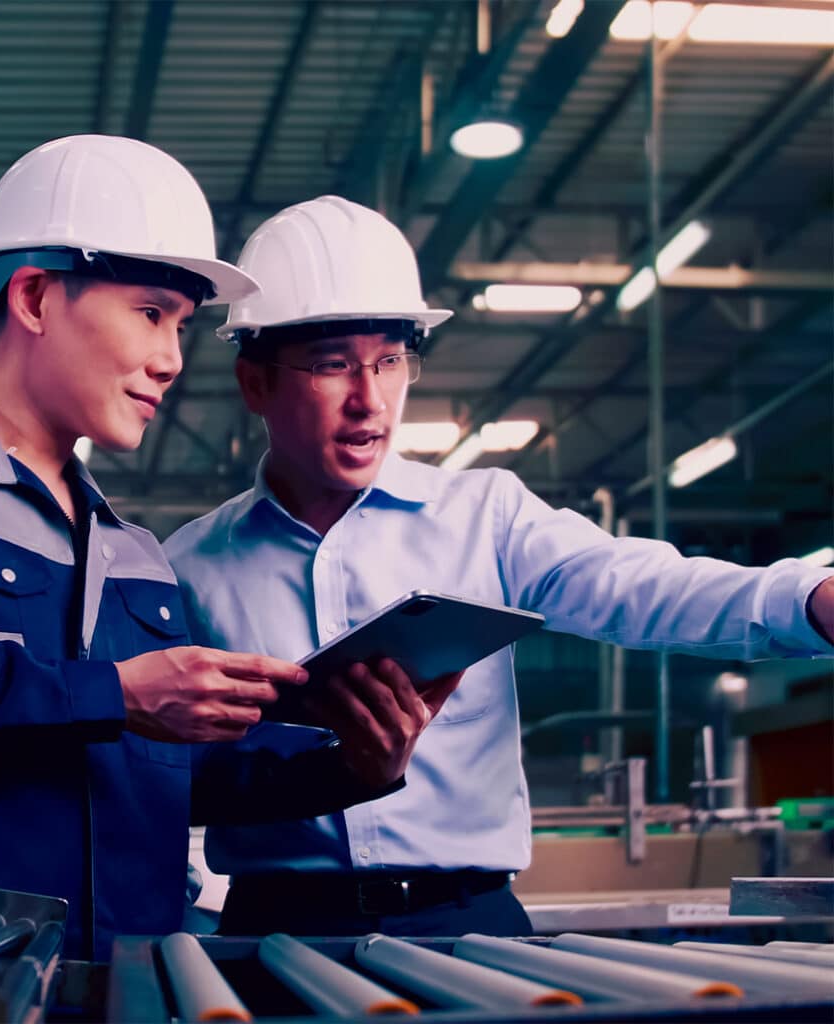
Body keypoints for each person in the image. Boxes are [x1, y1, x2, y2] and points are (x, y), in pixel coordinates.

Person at [0, 147, 456, 961]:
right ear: (33, 295)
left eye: (182, 326)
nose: (171, 360)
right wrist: (112, 694)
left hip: (131, 986)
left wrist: (355, 767)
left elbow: (176, 775)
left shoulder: (134, 554)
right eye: (151, 312)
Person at [164, 194, 834, 938]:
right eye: (332, 366)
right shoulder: (188, 567)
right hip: (276, 929)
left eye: (390, 363)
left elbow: (636, 584)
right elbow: (163, 773)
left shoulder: (487, 517)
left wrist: (811, 598)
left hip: (469, 920)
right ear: (255, 382)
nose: (371, 402)